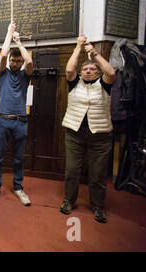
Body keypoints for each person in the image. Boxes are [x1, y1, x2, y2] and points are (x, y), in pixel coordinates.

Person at [60, 35, 116, 223]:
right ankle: (69, 201)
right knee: (72, 171)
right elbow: (69, 69)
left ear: (98, 73)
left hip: (100, 137)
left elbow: (112, 72)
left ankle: (98, 207)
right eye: (85, 68)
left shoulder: (105, 85)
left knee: (98, 174)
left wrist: (94, 54)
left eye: (93, 69)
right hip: (75, 134)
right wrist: (78, 47)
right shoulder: (75, 83)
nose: (89, 71)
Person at [0, 21, 33, 205]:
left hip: (20, 121)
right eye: (13, 61)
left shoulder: (25, 75)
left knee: (18, 157)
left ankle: (18, 187)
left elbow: (30, 61)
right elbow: (4, 53)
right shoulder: (3, 73)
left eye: (17, 61)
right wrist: (9, 32)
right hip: (2, 120)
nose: (15, 63)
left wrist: (19, 42)